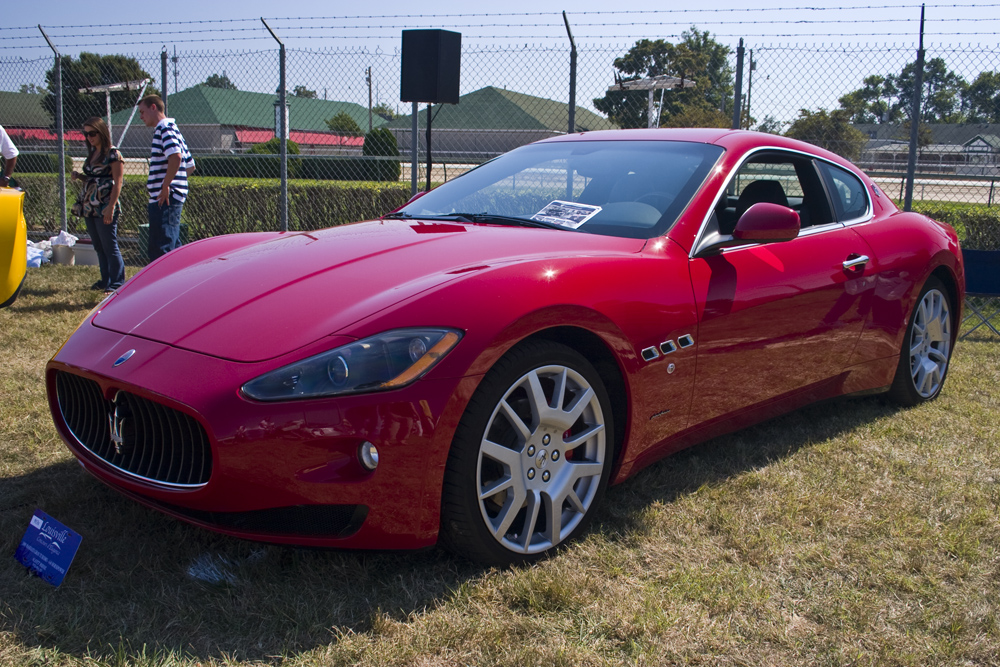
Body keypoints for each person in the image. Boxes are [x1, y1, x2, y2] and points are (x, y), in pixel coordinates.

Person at [71, 117, 125, 292]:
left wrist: (110, 207)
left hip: (105, 205)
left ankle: (117, 282)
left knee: (109, 245)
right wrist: (79, 176)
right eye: (86, 134)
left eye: (92, 133)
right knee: (99, 246)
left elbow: (118, 182)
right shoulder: (93, 152)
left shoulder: (113, 154)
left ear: (101, 132)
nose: (89, 137)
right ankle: (105, 280)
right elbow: (94, 179)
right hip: (90, 205)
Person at [138, 95, 194, 261]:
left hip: (164, 199)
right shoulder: (173, 128)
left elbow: (176, 157)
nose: (141, 117)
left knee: (162, 249)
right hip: (169, 197)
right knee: (171, 245)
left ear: (153, 107)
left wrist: (166, 186)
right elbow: (189, 165)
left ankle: (165, 285)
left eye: (142, 112)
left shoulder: (164, 128)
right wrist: (178, 183)